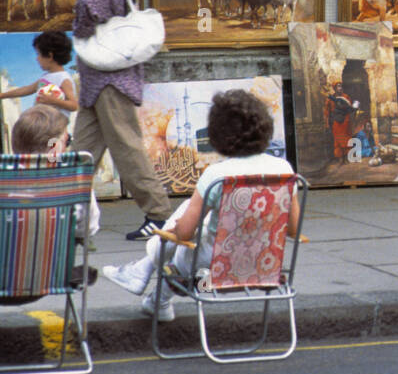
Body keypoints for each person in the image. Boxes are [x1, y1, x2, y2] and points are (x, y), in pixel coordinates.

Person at [102, 90, 297, 322]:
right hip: (265, 268)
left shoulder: (217, 175)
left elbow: (184, 233)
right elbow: (293, 229)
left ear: (218, 135)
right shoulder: (284, 169)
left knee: (185, 230)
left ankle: (145, 273)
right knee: (196, 218)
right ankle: (151, 292)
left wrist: (169, 232)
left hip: (210, 271)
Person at [0, 105, 99, 317]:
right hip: (51, 279)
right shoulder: (76, 180)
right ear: (56, 148)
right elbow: (88, 230)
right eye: (68, 141)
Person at [69, 0, 173, 240]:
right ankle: (66, 215)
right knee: (82, 151)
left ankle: (159, 215)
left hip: (109, 82)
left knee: (127, 148)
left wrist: (80, 27)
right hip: (97, 82)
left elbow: (90, 10)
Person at [0, 30, 78, 116]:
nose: (37, 58)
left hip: (56, 127)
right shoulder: (46, 78)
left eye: (39, 54)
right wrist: (2, 95)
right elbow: (26, 90)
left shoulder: (64, 79)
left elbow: (74, 105)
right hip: (42, 126)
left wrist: (54, 101)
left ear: (50, 56)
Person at [326, 82, 360, 161]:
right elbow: (327, 111)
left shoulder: (346, 97)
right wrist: (327, 122)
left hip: (345, 121)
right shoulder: (331, 98)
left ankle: (347, 156)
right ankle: (340, 157)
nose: (340, 88)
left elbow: (350, 109)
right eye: (338, 86)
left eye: (340, 86)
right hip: (336, 121)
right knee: (337, 139)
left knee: (346, 138)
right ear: (334, 88)